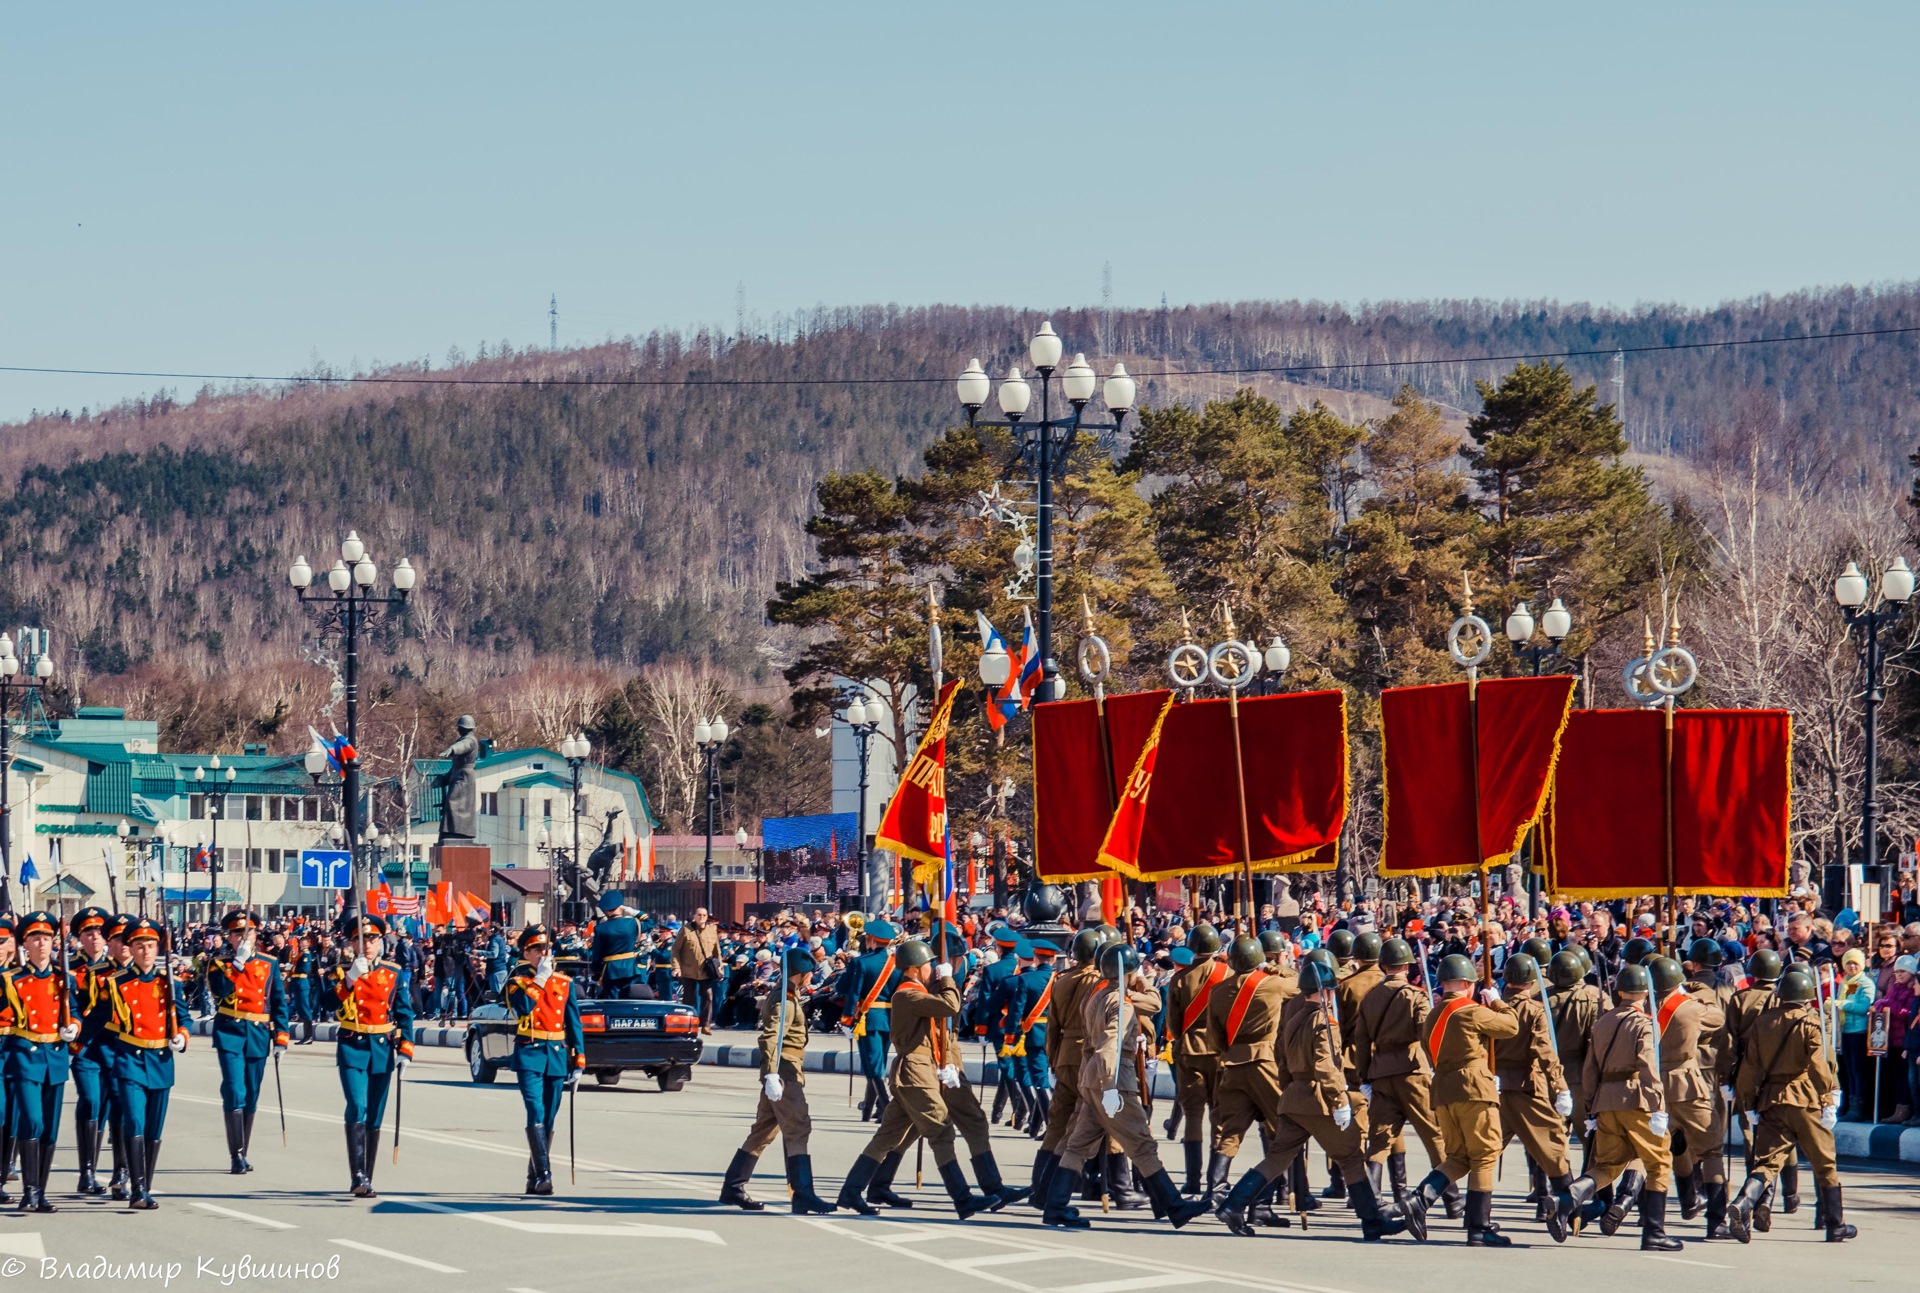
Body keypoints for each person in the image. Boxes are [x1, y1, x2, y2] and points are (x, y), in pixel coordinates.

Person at [1215, 959, 1406, 1241]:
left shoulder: (1293, 1018)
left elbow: (1281, 1059)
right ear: (1327, 991)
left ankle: (1233, 1205)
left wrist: (1290, 1091)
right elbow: (1326, 1066)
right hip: (1319, 1100)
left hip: (1295, 1097)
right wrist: (1340, 1102)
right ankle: (1372, 1221)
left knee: (1277, 1157)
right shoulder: (1324, 1021)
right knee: (1351, 1157)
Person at [1042, 942, 1206, 1230]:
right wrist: (1109, 1088)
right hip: (1115, 1079)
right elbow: (1110, 1047)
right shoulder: (1122, 1004)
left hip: (1091, 1077)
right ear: (1129, 971)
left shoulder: (1097, 997)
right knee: (1142, 1144)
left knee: (1078, 1144)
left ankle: (1055, 1206)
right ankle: (1174, 1206)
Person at [836, 938, 992, 1218]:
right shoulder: (908, 993)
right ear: (915, 968)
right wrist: (947, 980)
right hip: (914, 1073)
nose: (932, 969)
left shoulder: (915, 990)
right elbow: (951, 1005)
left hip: (919, 1069)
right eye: (929, 965)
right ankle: (963, 1198)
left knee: (888, 1136)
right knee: (941, 1130)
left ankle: (851, 1191)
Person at [1556, 962, 1682, 1251]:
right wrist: (1659, 1105)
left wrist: (1591, 1107)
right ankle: (1654, 1232)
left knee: (1608, 1165)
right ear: (1644, 994)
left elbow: (1590, 1069)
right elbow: (1649, 1065)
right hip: (1636, 1098)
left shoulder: (1603, 1022)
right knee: (1659, 1162)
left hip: (1605, 1100)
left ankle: (1565, 1199)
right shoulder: (1645, 1023)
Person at [1728, 968, 1855, 1242]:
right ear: (1808, 997)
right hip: (1806, 1097)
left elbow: (1749, 1067)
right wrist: (1831, 1094)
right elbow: (1820, 1064)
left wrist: (1748, 1102)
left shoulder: (1763, 1023)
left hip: (1771, 1100)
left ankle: (1743, 1203)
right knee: (1824, 1163)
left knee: (1767, 1163)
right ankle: (1835, 1225)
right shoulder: (1810, 1023)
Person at [1404, 954, 1522, 1246]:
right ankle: (1479, 1226)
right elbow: (1510, 1027)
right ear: (1468, 984)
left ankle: (1420, 1199)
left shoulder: (1433, 1014)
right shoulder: (1469, 1009)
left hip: (1444, 1090)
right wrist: (1496, 1001)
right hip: (1473, 1088)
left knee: (1458, 1157)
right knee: (1484, 1154)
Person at [721, 945, 832, 1213]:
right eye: (808, 974)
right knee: (798, 1128)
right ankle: (803, 1193)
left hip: (782, 1070)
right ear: (800, 974)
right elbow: (771, 1037)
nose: (811, 979)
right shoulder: (784, 1001)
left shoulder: (788, 997)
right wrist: (771, 1074)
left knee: (764, 1130)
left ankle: (733, 1187)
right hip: (784, 1074)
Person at [1353, 935, 1448, 1215]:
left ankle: (1371, 1200)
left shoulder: (1369, 998)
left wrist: (1365, 1076)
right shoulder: (1415, 996)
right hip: (1412, 1070)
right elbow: (1425, 1034)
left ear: (1383, 966)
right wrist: (1436, 1064)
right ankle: (1452, 1198)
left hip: (1380, 1070)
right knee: (1433, 1134)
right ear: (1406, 966)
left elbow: (1361, 1041)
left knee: (1380, 1139)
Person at [104, 917, 189, 1210]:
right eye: (140, 946)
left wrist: (182, 1035)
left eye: (151, 945)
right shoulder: (117, 983)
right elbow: (96, 1018)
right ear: (131, 948)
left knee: (154, 1129)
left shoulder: (170, 983)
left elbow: (185, 1018)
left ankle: (147, 1186)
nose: (146, 951)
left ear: (158, 948)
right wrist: (74, 1034)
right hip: (129, 1061)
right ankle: (137, 1189)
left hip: (161, 1062)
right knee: (135, 1121)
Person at [328, 913, 414, 1198]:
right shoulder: (341, 970)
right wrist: (351, 978)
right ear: (351, 943)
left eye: (372, 939)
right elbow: (324, 1002)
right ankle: (357, 1176)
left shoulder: (393, 971)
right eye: (359, 939)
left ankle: (368, 1176)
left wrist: (406, 1049)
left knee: (375, 1115)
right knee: (357, 1105)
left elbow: (404, 1012)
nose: (366, 945)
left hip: (381, 1047)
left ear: (381, 942)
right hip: (353, 1045)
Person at [2, 911, 79, 1212]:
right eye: (36, 938)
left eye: (47, 938)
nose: (42, 943)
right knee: (32, 1119)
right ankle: (29, 1191)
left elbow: (77, 1012)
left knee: (49, 1128)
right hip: (24, 1057)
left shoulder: (64, 979)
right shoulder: (12, 980)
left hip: (56, 1058)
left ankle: (41, 1192)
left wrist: (75, 1027)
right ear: (25, 944)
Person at [1491, 953, 1575, 1227]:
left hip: (1495, 1086)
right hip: (1527, 1086)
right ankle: (1567, 1210)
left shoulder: (1492, 1008)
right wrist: (1560, 1087)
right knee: (1553, 1147)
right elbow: (1544, 1052)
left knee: (1484, 1152)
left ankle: (1445, 1204)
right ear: (1530, 982)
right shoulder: (1533, 1010)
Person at [204, 910, 291, 1175]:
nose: (244, 938)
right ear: (229, 937)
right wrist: (237, 965)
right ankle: (236, 1155)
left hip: (257, 1032)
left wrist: (282, 1037)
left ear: (255, 935)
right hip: (230, 1031)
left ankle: (244, 1148)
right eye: (238, 934)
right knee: (234, 1090)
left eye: (249, 933)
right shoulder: (219, 964)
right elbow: (219, 990)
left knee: (251, 1094)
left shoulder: (268, 963)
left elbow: (278, 1002)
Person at [503, 925, 585, 1195]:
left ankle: (534, 1176)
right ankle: (545, 1174)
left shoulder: (564, 982)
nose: (543, 953)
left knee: (549, 1117)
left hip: (557, 1055)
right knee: (535, 1112)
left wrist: (580, 1059)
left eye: (546, 948)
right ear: (525, 952)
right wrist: (539, 979)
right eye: (537, 949)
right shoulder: (518, 981)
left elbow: (573, 1023)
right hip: (529, 1053)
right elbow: (523, 1008)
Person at [1166, 923, 1228, 1196]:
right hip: (1221, 1051)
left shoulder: (1179, 979)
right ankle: (1215, 1183)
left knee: (1193, 1115)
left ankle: (1192, 1180)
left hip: (1190, 1050)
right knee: (1219, 1115)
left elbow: (1174, 1025)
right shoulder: (1229, 974)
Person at [66, 907, 115, 1196]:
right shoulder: (70, 967)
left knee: (106, 1106)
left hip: (110, 1045)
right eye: (88, 933)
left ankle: (92, 1171)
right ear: (79, 937)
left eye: (98, 932)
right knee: (90, 1099)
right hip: (84, 1046)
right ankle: (85, 1171)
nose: (94, 937)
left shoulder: (116, 967)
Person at [837, 918, 900, 1123]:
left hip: (868, 1018)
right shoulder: (897, 964)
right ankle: (871, 1110)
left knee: (872, 1066)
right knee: (877, 1064)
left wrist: (847, 1020)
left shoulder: (861, 962)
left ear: (871, 940)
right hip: (889, 1019)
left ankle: (887, 1107)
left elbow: (851, 992)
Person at [1836, 948, 1876, 1118]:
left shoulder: (1865, 983)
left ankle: (1858, 1106)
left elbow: (1864, 1007)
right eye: (1849, 963)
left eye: (1855, 963)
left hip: (1859, 1031)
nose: (1852, 966)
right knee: (1849, 1070)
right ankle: (1849, 1104)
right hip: (1846, 1030)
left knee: (1858, 1071)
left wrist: (1842, 1004)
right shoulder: (1848, 982)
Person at [672, 908, 722, 1034]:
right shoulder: (686, 930)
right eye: (699, 915)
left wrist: (719, 968)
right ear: (694, 916)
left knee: (708, 996)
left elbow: (717, 952)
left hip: (705, 971)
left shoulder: (712, 931)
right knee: (689, 998)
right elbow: (676, 950)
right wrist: (676, 967)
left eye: (704, 915)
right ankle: (686, 1023)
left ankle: (705, 1025)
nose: (701, 917)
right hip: (688, 969)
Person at [588, 891, 644, 999]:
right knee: (630, 999)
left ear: (605, 911)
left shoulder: (600, 928)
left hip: (611, 969)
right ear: (620, 907)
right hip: (630, 968)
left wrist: (596, 971)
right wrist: (634, 912)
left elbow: (597, 953)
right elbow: (649, 923)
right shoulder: (632, 923)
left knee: (612, 1001)